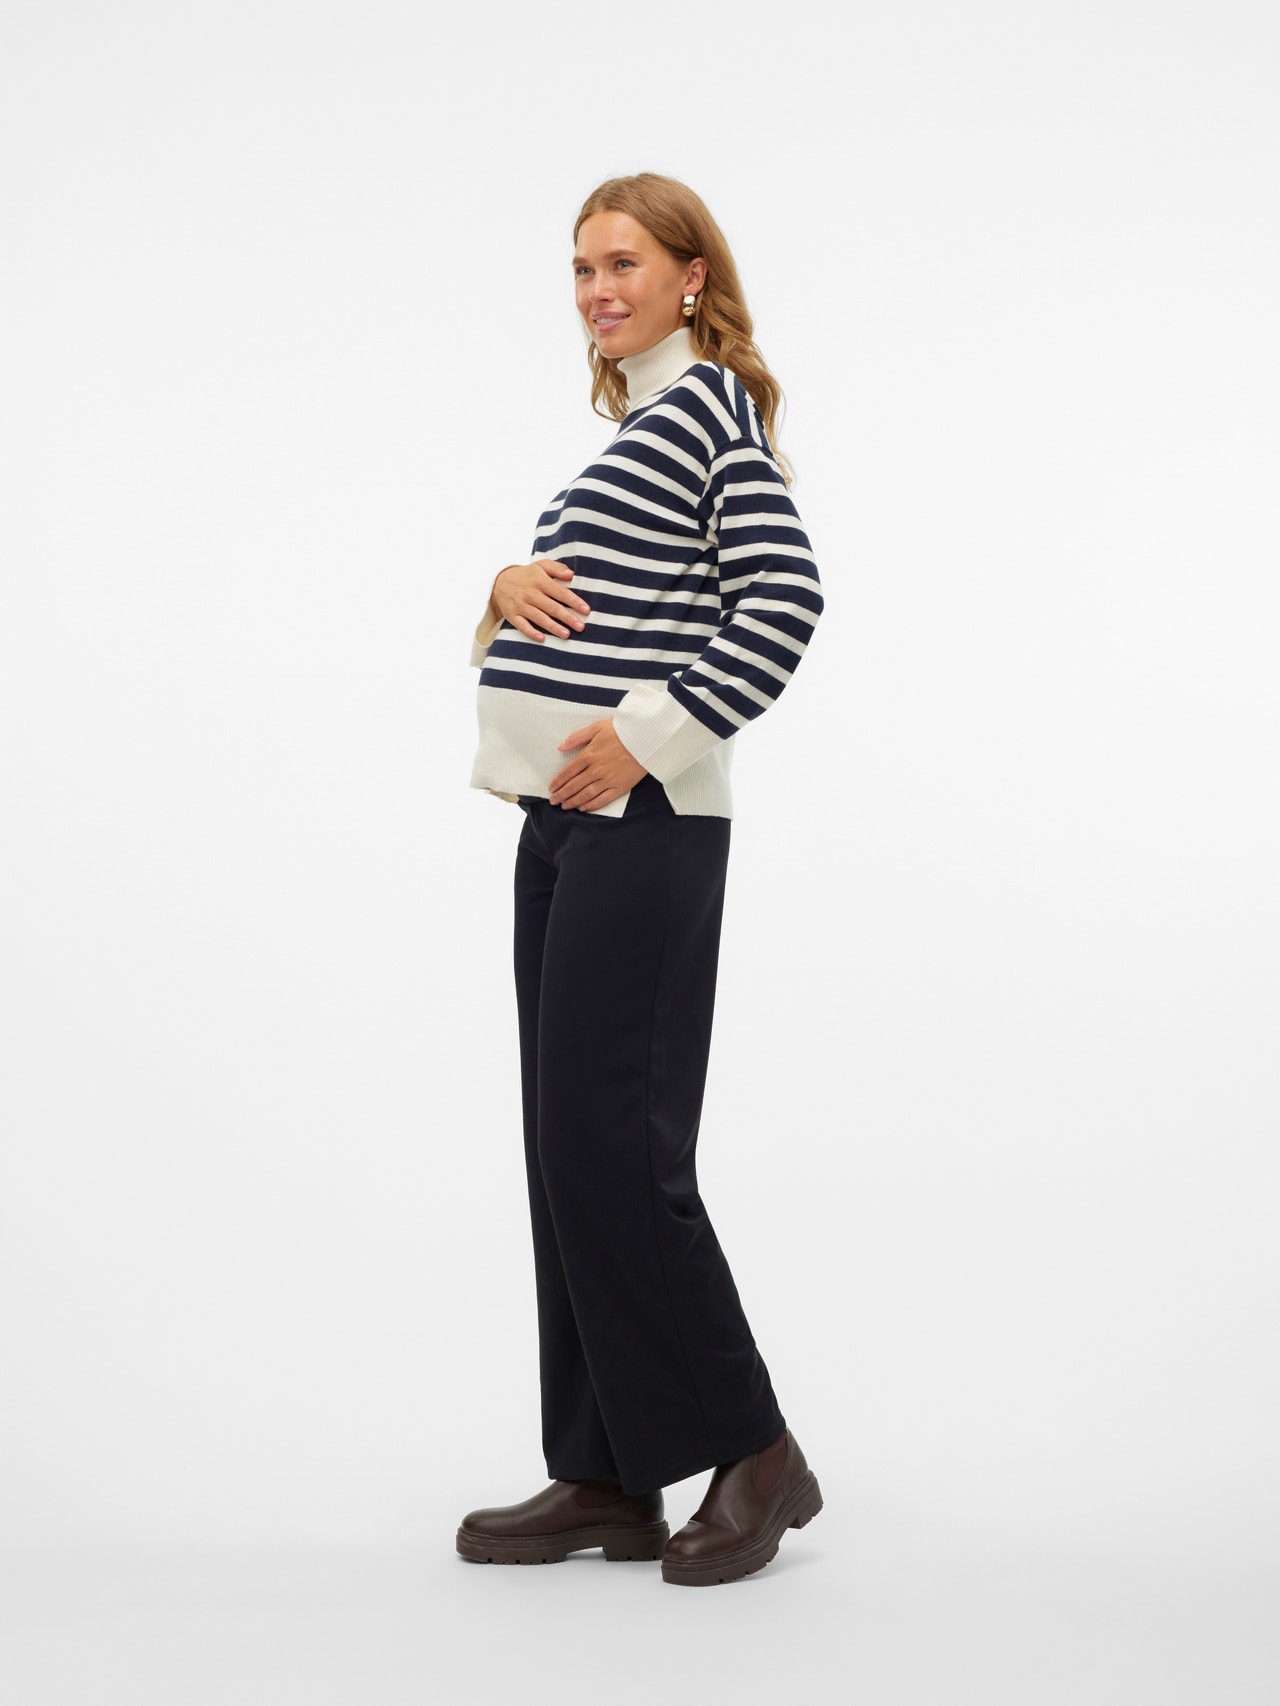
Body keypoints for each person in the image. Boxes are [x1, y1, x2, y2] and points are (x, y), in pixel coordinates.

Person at [458, 172, 825, 1587]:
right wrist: (499, 588)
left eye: (623, 263)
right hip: (563, 830)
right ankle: (608, 1473)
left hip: (648, 824)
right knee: (565, 1147)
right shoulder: (622, 440)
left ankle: (755, 1450)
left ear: (690, 277)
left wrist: (649, 735)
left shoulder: (713, 412)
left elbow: (784, 601)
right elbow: (575, 605)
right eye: (580, 269)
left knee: (615, 1146)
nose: (597, 290)